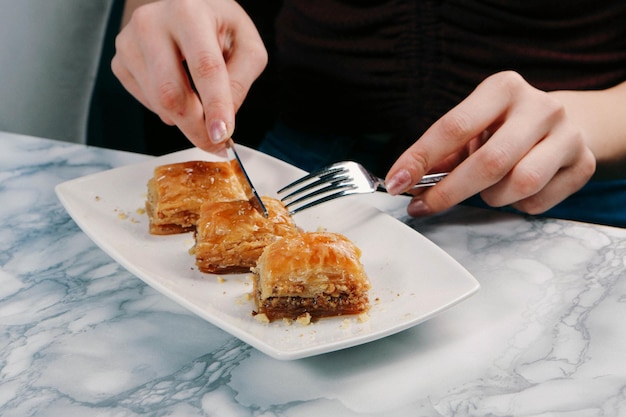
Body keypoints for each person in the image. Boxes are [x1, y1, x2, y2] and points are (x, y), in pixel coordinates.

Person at [110, 0, 626, 226]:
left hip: (563, 177)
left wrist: (587, 121)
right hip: (303, 165)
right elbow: (153, 7)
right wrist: (166, 23)